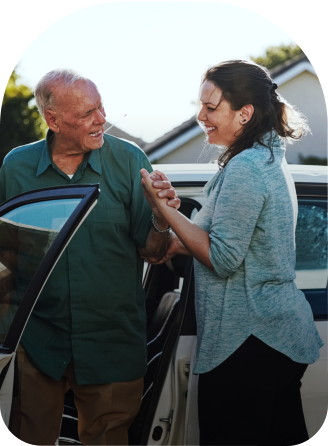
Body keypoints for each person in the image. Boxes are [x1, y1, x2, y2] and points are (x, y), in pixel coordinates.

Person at [140, 59, 324, 446]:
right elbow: (218, 241)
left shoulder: (248, 167)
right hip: (275, 338)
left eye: (211, 108)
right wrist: (173, 227)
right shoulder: (262, 158)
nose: (200, 117)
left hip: (251, 341)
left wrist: (167, 210)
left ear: (245, 113)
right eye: (200, 106)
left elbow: (222, 258)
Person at [0, 69, 180, 446]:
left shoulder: (130, 161)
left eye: (101, 107)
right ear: (53, 120)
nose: (102, 120)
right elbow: (7, 257)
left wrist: (161, 219)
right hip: (38, 344)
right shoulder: (16, 167)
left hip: (111, 344)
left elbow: (153, 252)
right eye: (87, 113)